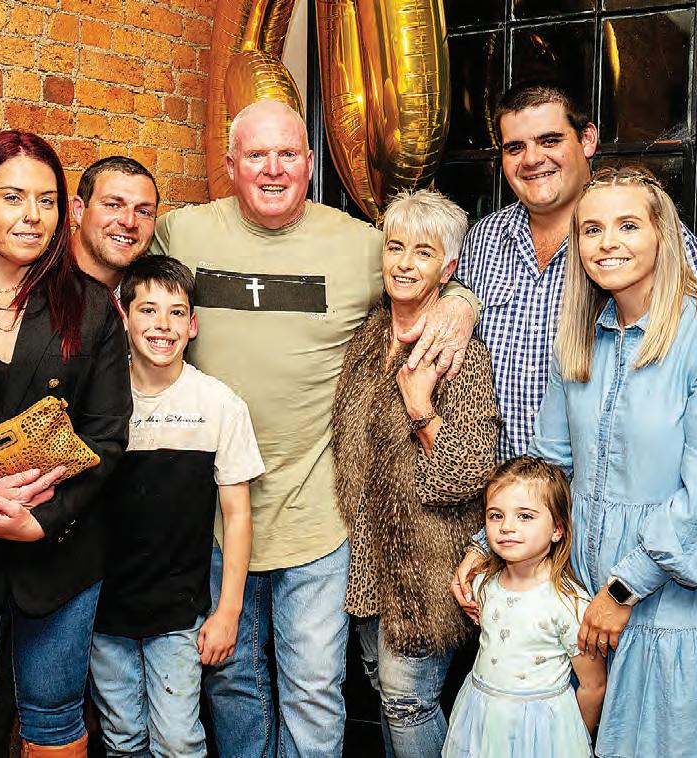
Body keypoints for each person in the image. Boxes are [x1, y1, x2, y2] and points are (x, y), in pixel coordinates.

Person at [151, 99, 480, 757]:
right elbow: (113, 270)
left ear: (308, 163)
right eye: (255, 155)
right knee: (232, 685)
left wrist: (461, 303)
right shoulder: (181, 233)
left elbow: (428, 270)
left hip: (316, 519)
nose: (272, 169)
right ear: (230, 165)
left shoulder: (358, 245)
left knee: (312, 692)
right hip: (211, 518)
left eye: (287, 154)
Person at [451, 82, 697, 614]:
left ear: (588, 140)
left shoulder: (661, 247)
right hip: (527, 530)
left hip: (655, 552)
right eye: (514, 147)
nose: (532, 159)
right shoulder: (482, 242)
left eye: (550, 140)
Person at [527, 167, 697, 756]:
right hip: (584, 602)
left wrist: (622, 589)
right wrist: (489, 545)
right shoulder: (580, 337)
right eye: (591, 229)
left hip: (672, 611)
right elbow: (549, 467)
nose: (607, 242)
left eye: (628, 226)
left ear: (664, 235)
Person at [0, 131, 131, 758]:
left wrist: (40, 521)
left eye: (47, 200)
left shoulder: (91, 307)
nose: (33, 215)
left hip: (61, 555)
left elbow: (108, 438)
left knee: (55, 723)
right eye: (13, 197)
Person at [332, 190, 500, 758]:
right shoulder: (367, 338)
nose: (404, 263)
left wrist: (420, 405)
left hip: (427, 565)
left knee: (408, 700)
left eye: (423, 253)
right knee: (385, 692)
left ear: (448, 270)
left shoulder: (460, 355)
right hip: (367, 561)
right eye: (395, 247)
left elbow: (468, 472)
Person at [88, 255, 264, 757]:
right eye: (147, 310)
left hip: (180, 611)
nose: (162, 325)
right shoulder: (97, 400)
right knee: (122, 737)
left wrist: (228, 610)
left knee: (178, 739)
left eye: (176, 312)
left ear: (193, 325)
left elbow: (237, 514)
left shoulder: (219, 405)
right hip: (104, 609)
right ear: (123, 317)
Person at [443, 456, 606, 758]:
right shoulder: (482, 585)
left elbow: (593, 685)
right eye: (495, 515)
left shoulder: (568, 603)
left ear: (557, 529)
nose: (507, 527)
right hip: (483, 720)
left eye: (525, 516)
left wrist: (570, 740)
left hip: (542, 734)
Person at [70, 156, 159, 292]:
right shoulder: (38, 281)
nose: (129, 222)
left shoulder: (152, 294)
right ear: (79, 210)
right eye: (113, 205)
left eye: (143, 212)